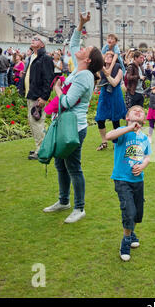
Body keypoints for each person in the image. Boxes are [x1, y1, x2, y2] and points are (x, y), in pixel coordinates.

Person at [43, 12, 104, 224]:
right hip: (64, 124)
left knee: (73, 167)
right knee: (60, 164)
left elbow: (67, 102)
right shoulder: (78, 70)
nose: (81, 47)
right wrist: (81, 23)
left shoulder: (84, 76)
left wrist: (58, 88)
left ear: (87, 59)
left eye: (85, 49)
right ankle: (64, 201)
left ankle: (79, 207)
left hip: (74, 127)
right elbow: (74, 41)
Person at [105, 105, 152, 262]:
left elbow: (147, 157)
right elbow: (109, 135)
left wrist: (143, 166)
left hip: (138, 181)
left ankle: (131, 233)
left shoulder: (144, 138)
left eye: (141, 111)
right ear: (128, 117)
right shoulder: (123, 133)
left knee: (138, 214)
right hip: (122, 179)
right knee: (129, 211)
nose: (138, 111)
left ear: (143, 119)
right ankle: (125, 242)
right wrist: (129, 128)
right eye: (134, 111)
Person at [19, 35, 54, 160]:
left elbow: (49, 79)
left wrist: (44, 97)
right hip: (31, 94)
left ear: (42, 44)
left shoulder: (45, 58)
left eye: (36, 39)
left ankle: (42, 150)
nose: (33, 40)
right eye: (33, 38)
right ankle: (39, 147)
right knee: (33, 122)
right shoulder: (32, 57)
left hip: (38, 97)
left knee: (37, 122)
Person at [95, 51, 126, 151]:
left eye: (111, 56)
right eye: (106, 55)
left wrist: (106, 72)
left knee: (115, 120)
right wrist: (97, 86)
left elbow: (114, 83)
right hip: (104, 95)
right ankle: (104, 142)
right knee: (100, 119)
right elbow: (99, 81)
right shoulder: (101, 68)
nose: (108, 57)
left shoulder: (119, 69)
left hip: (115, 95)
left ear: (114, 59)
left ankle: (116, 142)